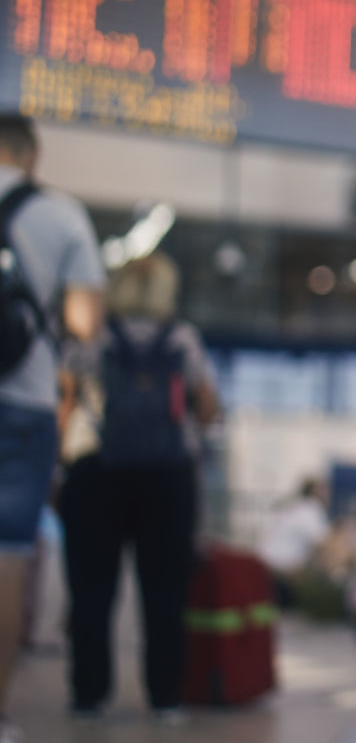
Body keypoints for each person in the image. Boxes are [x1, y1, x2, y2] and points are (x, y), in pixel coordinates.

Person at [58, 253, 220, 723]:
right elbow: (207, 409)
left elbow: (66, 404)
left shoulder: (95, 337)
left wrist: (57, 468)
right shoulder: (184, 340)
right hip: (168, 478)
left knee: (90, 591)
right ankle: (165, 696)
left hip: (96, 473)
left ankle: (88, 695)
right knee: (165, 592)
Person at [0, 114, 104, 743]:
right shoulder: (62, 215)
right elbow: (85, 327)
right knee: (9, 560)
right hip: (25, 406)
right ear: (32, 154)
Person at [259, 477, 332, 604]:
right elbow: (322, 544)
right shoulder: (311, 509)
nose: (328, 494)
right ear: (316, 491)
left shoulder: (292, 505)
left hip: (265, 564)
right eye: (325, 490)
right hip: (286, 569)